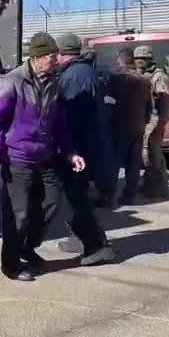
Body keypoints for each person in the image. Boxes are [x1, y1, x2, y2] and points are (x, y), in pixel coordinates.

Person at [0, 32, 85, 282]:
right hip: (18, 157)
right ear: (37, 57)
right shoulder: (13, 81)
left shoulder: (54, 82)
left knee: (52, 202)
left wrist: (71, 151)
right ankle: (11, 264)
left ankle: (27, 248)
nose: (56, 60)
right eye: (51, 57)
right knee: (19, 214)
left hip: (46, 155)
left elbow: (61, 123)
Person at [52, 33, 116, 266]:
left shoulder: (74, 76)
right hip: (87, 146)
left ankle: (97, 245)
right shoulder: (83, 71)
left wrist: (67, 148)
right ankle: (83, 238)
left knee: (77, 196)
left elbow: (69, 116)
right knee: (77, 196)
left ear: (61, 53)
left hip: (79, 149)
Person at [109, 48, 153, 205]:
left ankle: (108, 197)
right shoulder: (144, 80)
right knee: (133, 164)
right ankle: (129, 196)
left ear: (120, 60)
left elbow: (108, 102)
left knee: (113, 163)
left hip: (120, 126)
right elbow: (149, 106)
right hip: (138, 126)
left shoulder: (116, 78)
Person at [134, 45, 169, 199]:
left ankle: (159, 188)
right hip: (143, 119)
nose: (139, 62)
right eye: (137, 59)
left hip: (154, 119)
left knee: (153, 154)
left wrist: (161, 120)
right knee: (146, 154)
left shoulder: (159, 76)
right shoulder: (141, 74)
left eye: (143, 59)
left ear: (150, 59)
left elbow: (166, 99)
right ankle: (149, 184)